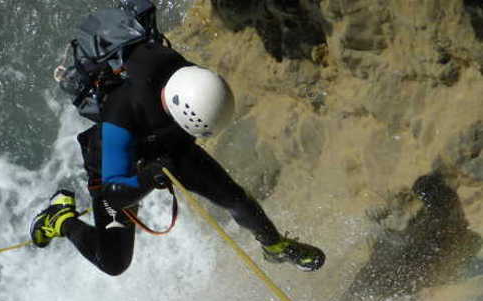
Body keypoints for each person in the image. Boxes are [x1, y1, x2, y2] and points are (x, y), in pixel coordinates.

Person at [30, 2, 325, 276]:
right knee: (113, 262)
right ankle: (60, 219)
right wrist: (148, 177)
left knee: (235, 198)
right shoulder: (120, 115)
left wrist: (165, 158)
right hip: (124, 164)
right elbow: (115, 194)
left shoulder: (183, 75)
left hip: (168, 143)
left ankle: (274, 246)